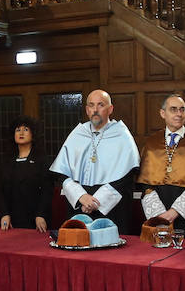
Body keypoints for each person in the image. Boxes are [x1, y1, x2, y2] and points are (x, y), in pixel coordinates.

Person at [50, 89, 140, 234]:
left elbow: (127, 175)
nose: (95, 110)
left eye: (100, 105)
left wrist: (96, 201)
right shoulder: (78, 133)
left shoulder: (122, 135)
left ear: (110, 109)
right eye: (91, 105)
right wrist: (81, 196)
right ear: (87, 110)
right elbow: (62, 172)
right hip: (79, 205)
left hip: (111, 208)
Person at [137, 93, 185, 239]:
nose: (179, 114)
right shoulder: (152, 142)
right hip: (157, 215)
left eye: (182, 110)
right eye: (174, 109)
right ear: (162, 113)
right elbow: (145, 185)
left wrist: (174, 213)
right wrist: (159, 216)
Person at [0, 115, 52, 233]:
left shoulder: (41, 159)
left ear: (33, 134)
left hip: (36, 219)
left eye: (26, 129)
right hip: (10, 219)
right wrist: (4, 214)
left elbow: (47, 189)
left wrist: (41, 214)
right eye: (18, 130)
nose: (21, 133)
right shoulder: (7, 160)